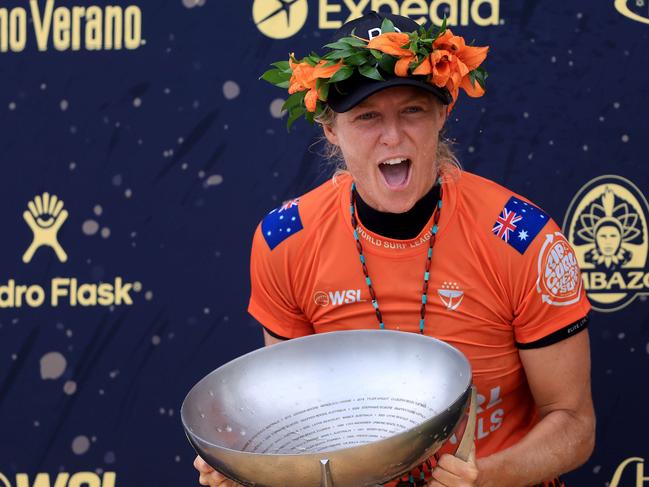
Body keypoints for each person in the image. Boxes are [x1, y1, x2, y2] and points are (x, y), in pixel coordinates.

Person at [194, 11, 595, 487]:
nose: (392, 135)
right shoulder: (287, 240)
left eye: (412, 110)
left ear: (443, 113)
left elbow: (573, 423)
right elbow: (299, 430)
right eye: (367, 116)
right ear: (330, 129)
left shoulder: (521, 238)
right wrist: (250, 470)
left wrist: (483, 478)